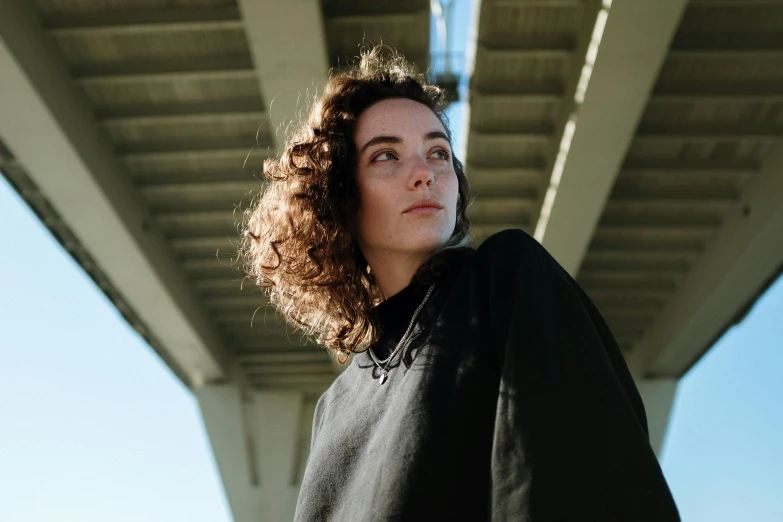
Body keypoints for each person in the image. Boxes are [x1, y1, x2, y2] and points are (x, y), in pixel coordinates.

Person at [240, 46, 681, 521]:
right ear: (339, 195)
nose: (424, 174)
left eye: (439, 153)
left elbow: (592, 478)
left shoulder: (505, 280)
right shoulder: (334, 410)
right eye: (386, 155)